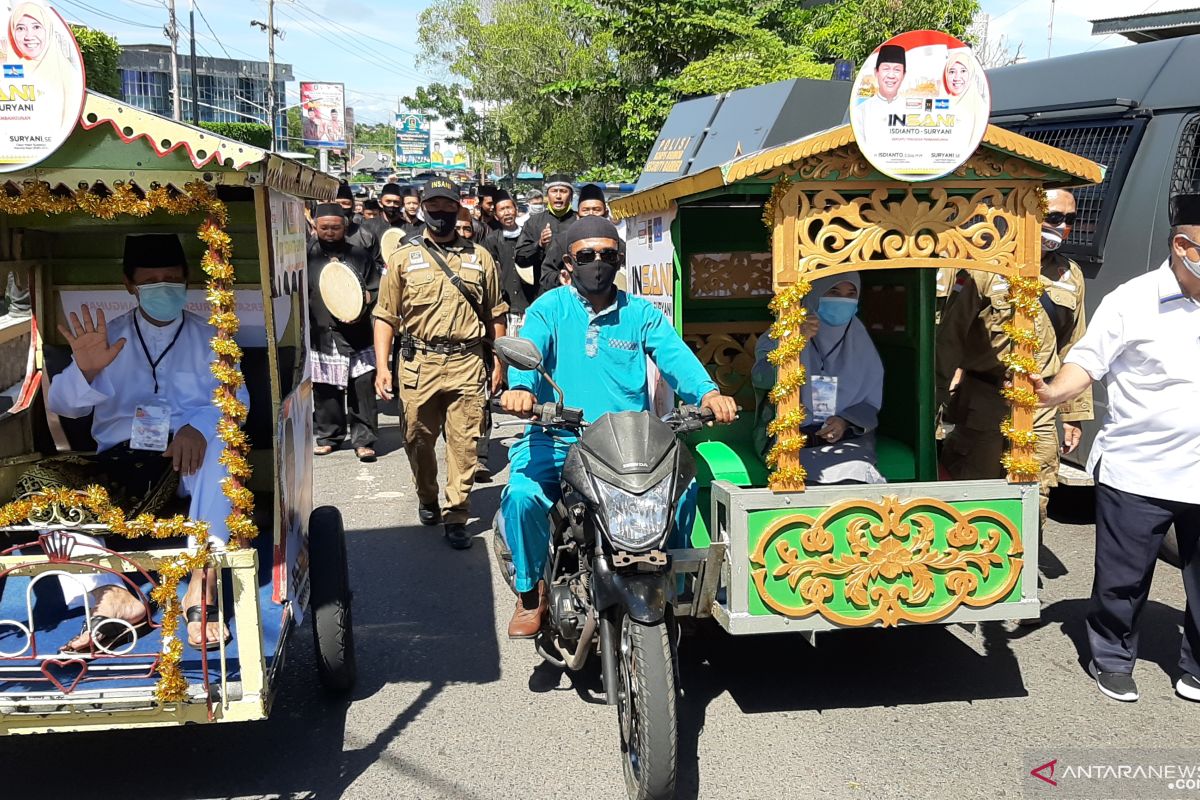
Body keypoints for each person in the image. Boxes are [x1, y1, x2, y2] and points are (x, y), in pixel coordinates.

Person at [497, 216, 739, 637]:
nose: (597, 263)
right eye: (586, 255)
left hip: (627, 443)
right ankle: (529, 592)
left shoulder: (639, 313)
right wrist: (521, 390)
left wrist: (707, 393)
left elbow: (674, 355)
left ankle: (672, 582)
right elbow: (529, 353)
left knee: (681, 490)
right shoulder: (549, 308)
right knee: (521, 496)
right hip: (559, 437)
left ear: (619, 260)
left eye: (607, 255)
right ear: (569, 263)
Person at [33, 233, 249, 653]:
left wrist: (199, 427)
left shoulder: (214, 338)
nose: (163, 287)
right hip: (119, 465)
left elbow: (238, 400)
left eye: (172, 278)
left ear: (187, 280)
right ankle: (111, 594)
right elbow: (65, 406)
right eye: (151, 281)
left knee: (223, 446)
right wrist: (87, 371)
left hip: (186, 464)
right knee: (39, 488)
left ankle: (200, 587)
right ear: (130, 285)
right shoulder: (106, 337)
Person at [1030, 193, 1200, 703]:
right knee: (1121, 582)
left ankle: (1195, 664)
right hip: (1139, 470)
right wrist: (1054, 393)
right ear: (1183, 246)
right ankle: (1112, 657)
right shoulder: (1132, 300)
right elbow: (1088, 359)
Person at [937, 189, 1093, 527]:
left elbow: (1076, 348)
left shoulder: (1070, 275)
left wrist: (1074, 414)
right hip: (986, 402)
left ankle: (1020, 569)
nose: (1062, 227)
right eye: (1054, 217)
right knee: (975, 498)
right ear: (1025, 215)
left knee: (1033, 498)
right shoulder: (983, 268)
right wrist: (931, 410)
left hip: (1040, 404)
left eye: (1070, 220)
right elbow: (949, 340)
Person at [372, 178, 508, 549]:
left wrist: (500, 361)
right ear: (423, 208)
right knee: (416, 438)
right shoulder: (402, 258)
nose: (442, 214)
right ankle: (428, 494)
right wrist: (383, 367)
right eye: (434, 207)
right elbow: (385, 315)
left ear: (458, 209)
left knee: (464, 443)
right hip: (419, 363)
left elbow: (496, 314)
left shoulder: (480, 259)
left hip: (467, 362)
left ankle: (457, 512)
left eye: (449, 208)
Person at [751, 272, 886, 484]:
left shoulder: (859, 338)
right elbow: (761, 377)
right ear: (814, 294)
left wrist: (845, 421)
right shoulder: (785, 329)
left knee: (856, 475)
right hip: (788, 438)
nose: (842, 300)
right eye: (833, 292)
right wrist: (795, 342)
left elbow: (869, 400)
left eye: (850, 294)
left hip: (846, 441)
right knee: (798, 476)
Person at [308, 203, 384, 462]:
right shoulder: (305, 256)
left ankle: (364, 440)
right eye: (324, 228)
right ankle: (329, 436)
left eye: (336, 228)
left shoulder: (359, 254)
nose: (330, 232)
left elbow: (376, 289)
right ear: (315, 226)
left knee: (362, 388)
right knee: (325, 388)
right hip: (321, 332)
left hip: (357, 332)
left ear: (345, 226)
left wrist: (366, 297)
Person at [537, 183, 623, 294]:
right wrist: (560, 278)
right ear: (578, 214)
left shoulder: (613, 242)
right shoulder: (562, 240)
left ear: (605, 213)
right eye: (586, 210)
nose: (591, 215)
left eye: (596, 210)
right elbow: (546, 276)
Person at [483, 190, 533, 335]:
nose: (507, 213)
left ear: (516, 210)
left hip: (528, 301)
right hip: (507, 305)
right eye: (502, 210)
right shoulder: (492, 240)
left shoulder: (528, 235)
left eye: (509, 208)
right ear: (496, 215)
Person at [515, 176, 575, 276]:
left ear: (571, 196)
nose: (558, 196)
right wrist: (539, 244)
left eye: (563, 191)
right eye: (554, 191)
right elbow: (520, 259)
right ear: (547, 195)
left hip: (574, 286)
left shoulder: (579, 221)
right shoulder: (533, 222)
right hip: (543, 287)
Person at [853, 43, 907, 135]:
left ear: (903, 75)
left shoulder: (913, 110)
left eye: (897, 70)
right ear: (876, 72)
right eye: (886, 69)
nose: (891, 75)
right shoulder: (861, 110)